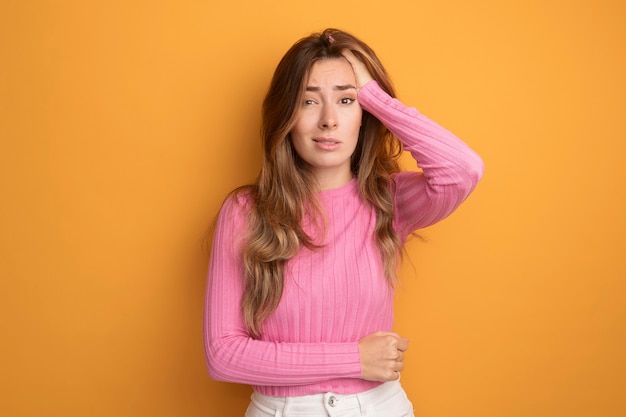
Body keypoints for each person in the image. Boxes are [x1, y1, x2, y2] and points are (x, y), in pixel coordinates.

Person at [203, 28, 484, 417]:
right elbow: (224, 355)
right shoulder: (246, 210)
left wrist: (373, 94)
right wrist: (354, 359)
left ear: (364, 114)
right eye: (308, 101)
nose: (329, 120)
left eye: (346, 100)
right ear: (286, 114)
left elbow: (463, 169)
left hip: (380, 408)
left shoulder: (389, 201)